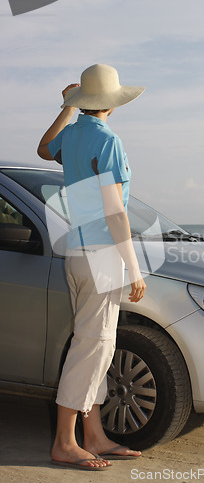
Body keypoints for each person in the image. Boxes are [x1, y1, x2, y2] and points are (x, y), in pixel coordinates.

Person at [37, 64, 147, 471]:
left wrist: (66, 107)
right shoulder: (107, 140)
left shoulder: (73, 133)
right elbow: (116, 211)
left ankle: (94, 436)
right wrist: (133, 268)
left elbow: (43, 149)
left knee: (95, 344)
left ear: (84, 101)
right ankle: (65, 442)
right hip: (101, 255)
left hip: (76, 255)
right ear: (112, 104)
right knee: (93, 347)